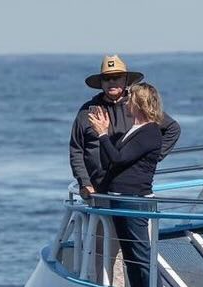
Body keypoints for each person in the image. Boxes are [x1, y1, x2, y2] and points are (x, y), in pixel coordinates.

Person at [87, 83, 165, 287]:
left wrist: (103, 135)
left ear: (140, 102)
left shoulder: (150, 132)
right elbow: (110, 159)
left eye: (131, 98)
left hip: (135, 200)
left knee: (141, 255)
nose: (127, 102)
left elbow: (119, 158)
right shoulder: (134, 130)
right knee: (130, 256)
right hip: (120, 198)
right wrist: (103, 135)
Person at [69, 55, 181, 200]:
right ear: (101, 82)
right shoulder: (87, 112)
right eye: (107, 78)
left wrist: (150, 159)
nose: (112, 82)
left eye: (117, 77)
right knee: (100, 223)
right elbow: (76, 150)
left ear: (126, 80)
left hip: (128, 190)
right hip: (97, 190)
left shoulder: (139, 108)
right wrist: (84, 183)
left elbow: (172, 129)